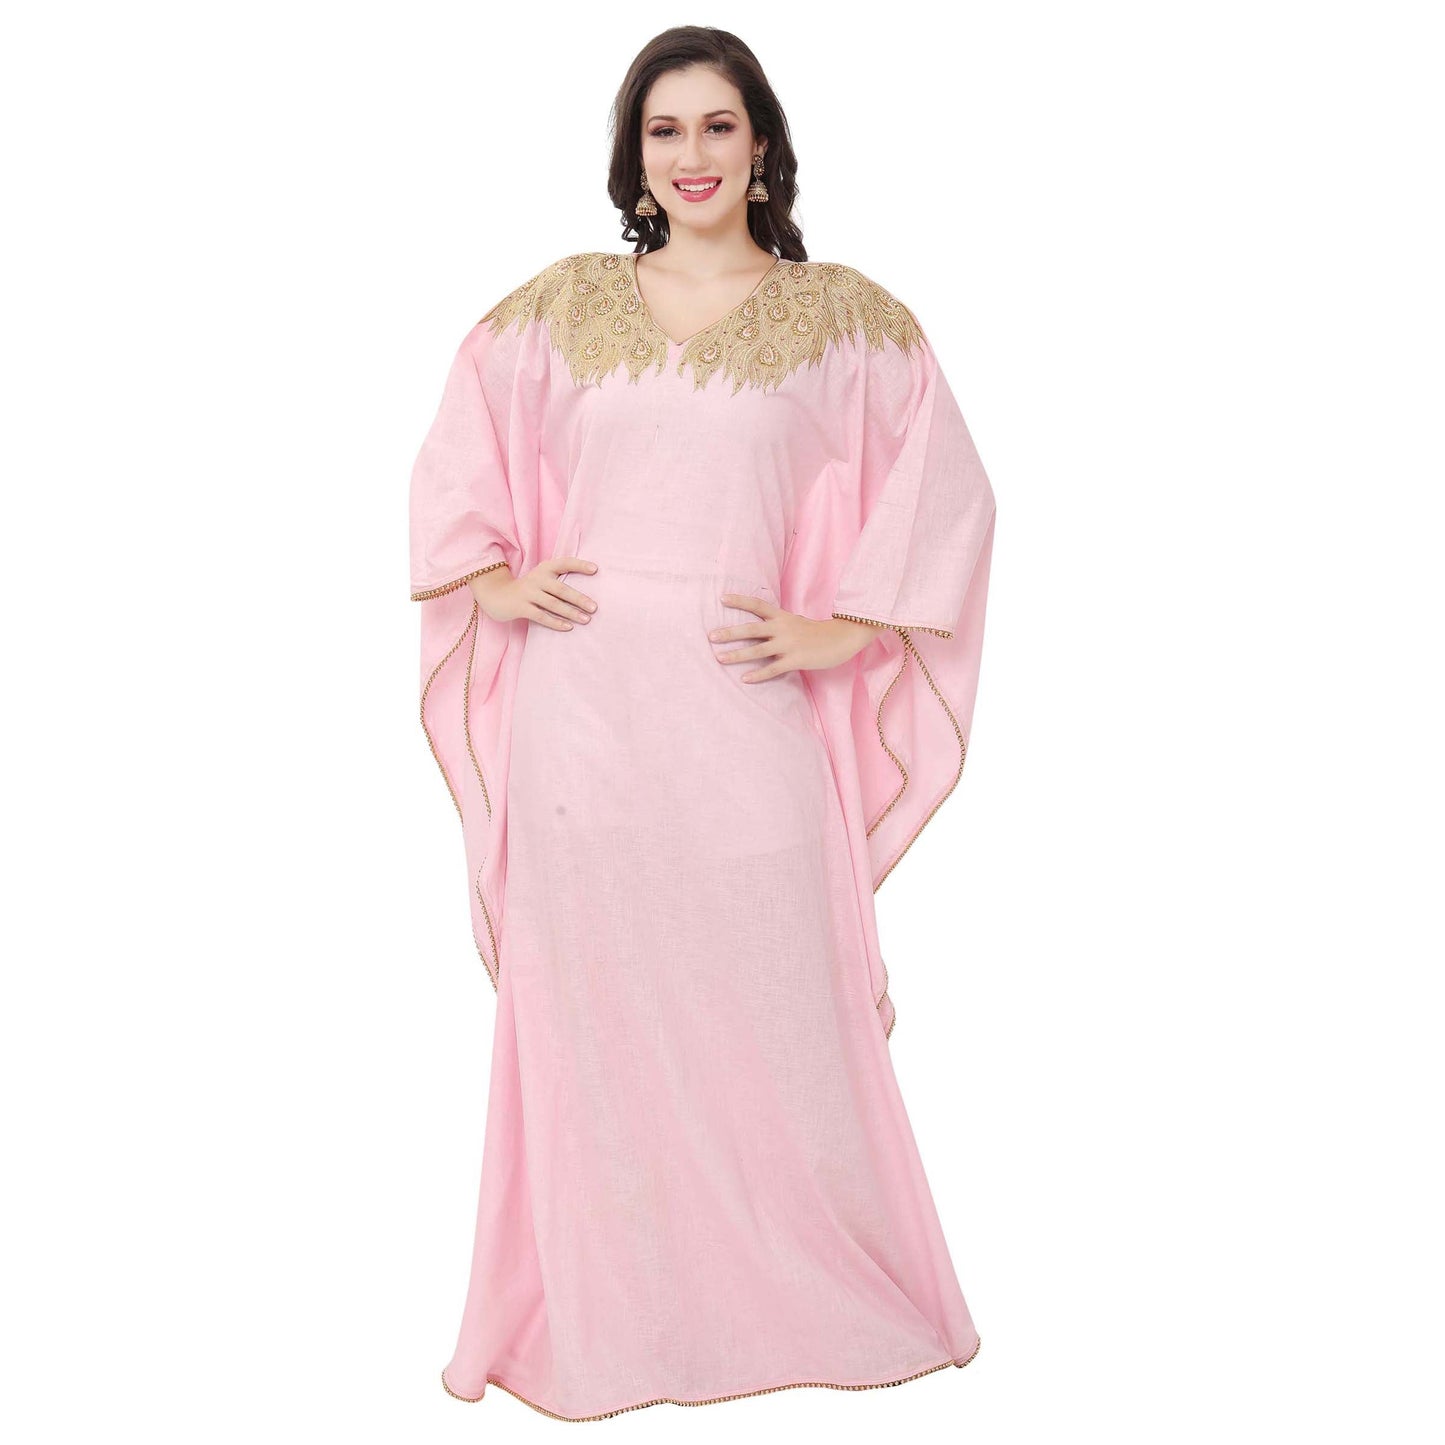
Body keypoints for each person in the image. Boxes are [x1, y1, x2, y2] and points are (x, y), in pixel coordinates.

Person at [407, 26, 997, 1422]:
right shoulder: (558, 308)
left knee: (781, 1011)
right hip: (582, 730)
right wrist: (492, 578)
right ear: (634, 154)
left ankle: (806, 1300)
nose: (692, 155)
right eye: (664, 130)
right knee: (591, 1030)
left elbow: (949, 492)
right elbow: (453, 460)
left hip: (746, 721)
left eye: (718, 127)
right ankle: (612, 1319)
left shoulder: (845, 322)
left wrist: (845, 626)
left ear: (762, 146)